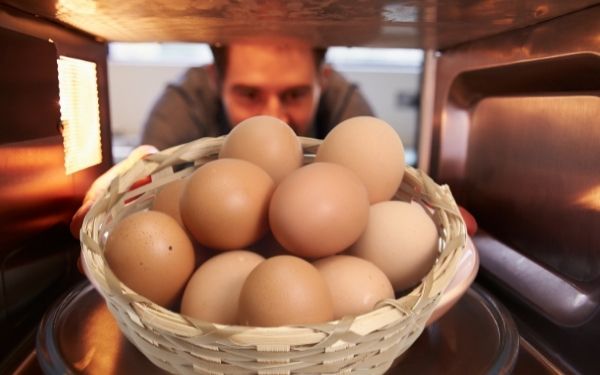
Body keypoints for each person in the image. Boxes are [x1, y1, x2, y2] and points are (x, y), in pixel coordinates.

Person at [70, 36, 374, 237]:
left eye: (294, 94)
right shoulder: (187, 101)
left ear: (323, 81)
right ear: (215, 80)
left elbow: (379, 185)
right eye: (249, 94)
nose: (272, 119)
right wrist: (137, 173)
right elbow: (152, 172)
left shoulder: (344, 105)